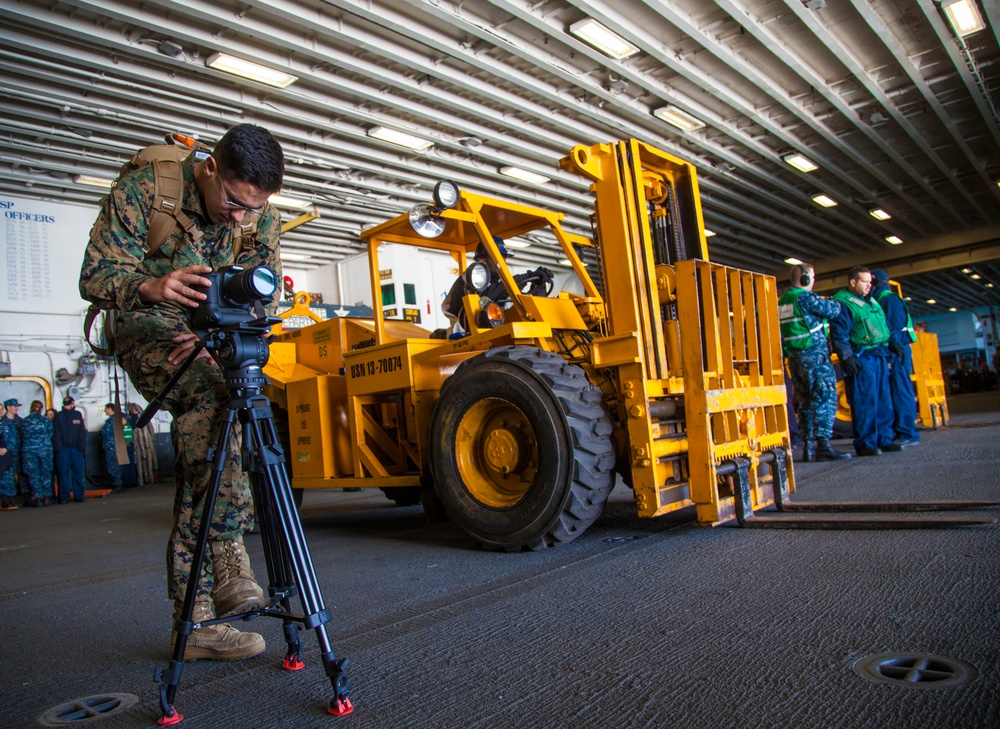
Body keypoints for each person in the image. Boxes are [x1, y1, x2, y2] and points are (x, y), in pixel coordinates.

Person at [79, 123, 285, 661]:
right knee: (216, 404)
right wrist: (148, 286)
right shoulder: (149, 188)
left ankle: (195, 625)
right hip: (146, 323)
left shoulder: (258, 210)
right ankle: (229, 555)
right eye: (235, 203)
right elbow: (94, 276)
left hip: (212, 334)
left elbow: (265, 290)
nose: (242, 217)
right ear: (211, 168)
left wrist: (214, 327)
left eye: (253, 208)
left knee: (209, 439)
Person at [829, 266, 905, 457]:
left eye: (870, 282)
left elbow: (884, 328)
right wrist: (846, 357)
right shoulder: (844, 303)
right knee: (865, 401)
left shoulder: (871, 302)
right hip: (862, 359)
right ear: (853, 282)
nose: (869, 286)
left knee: (883, 401)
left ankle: (884, 439)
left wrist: (896, 344)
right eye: (865, 282)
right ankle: (866, 444)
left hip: (879, 356)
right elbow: (839, 333)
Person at [777, 263, 850, 461]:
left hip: (794, 357)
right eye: (813, 277)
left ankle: (809, 447)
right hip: (814, 356)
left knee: (806, 402)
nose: (814, 280)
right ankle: (824, 446)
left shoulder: (783, 301)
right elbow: (834, 310)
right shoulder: (805, 297)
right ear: (806, 279)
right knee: (825, 397)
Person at [440, 236, 553, 335]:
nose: (502, 261)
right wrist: (523, 278)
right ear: (483, 259)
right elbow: (485, 298)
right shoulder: (473, 276)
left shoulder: (498, 281)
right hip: (465, 331)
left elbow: (508, 297)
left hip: (492, 329)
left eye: (504, 258)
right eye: (498, 257)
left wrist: (536, 286)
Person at [870, 270, 920, 447]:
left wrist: (892, 355)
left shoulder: (889, 300)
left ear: (875, 283)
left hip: (897, 351)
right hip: (893, 351)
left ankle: (907, 432)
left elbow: (894, 331)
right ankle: (899, 430)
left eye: (870, 283)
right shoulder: (880, 300)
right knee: (894, 391)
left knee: (900, 390)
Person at [53, 396, 87, 503]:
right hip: (63, 449)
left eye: (69, 404)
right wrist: (58, 447)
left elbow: (82, 432)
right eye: (65, 404)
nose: (67, 406)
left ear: (73, 404)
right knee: (63, 473)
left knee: (78, 471)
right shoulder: (59, 416)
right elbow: (55, 433)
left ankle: (79, 496)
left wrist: (82, 446)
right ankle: (64, 497)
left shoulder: (78, 415)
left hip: (76, 449)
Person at [21, 400, 55, 506]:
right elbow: (50, 433)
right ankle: (47, 498)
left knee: (33, 475)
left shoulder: (25, 421)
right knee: (46, 473)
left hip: (29, 450)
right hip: (44, 450)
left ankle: (38, 498)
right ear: (41, 409)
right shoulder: (45, 421)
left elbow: (22, 435)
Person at [128, 402, 159, 488]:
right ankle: (143, 480)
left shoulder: (143, 421)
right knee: (140, 462)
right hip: (139, 445)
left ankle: (150, 478)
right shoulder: (133, 421)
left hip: (146, 444)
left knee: (147, 461)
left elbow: (148, 431)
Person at [0, 398, 23, 509]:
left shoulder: (20, 421)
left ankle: (22, 497)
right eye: (15, 406)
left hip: (20, 452)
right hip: (6, 453)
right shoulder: (3, 422)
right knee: (6, 476)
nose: (17, 408)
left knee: (20, 476)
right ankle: (7, 499)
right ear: (8, 407)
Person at [101, 403, 126, 491]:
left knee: (113, 466)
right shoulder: (118, 419)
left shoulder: (111, 420)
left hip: (111, 446)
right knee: (117, 465)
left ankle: (118, 484)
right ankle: (119, 483)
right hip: (116, 445)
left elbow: (105, 432)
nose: (105, 411)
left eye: (106, 409)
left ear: (110, 409)